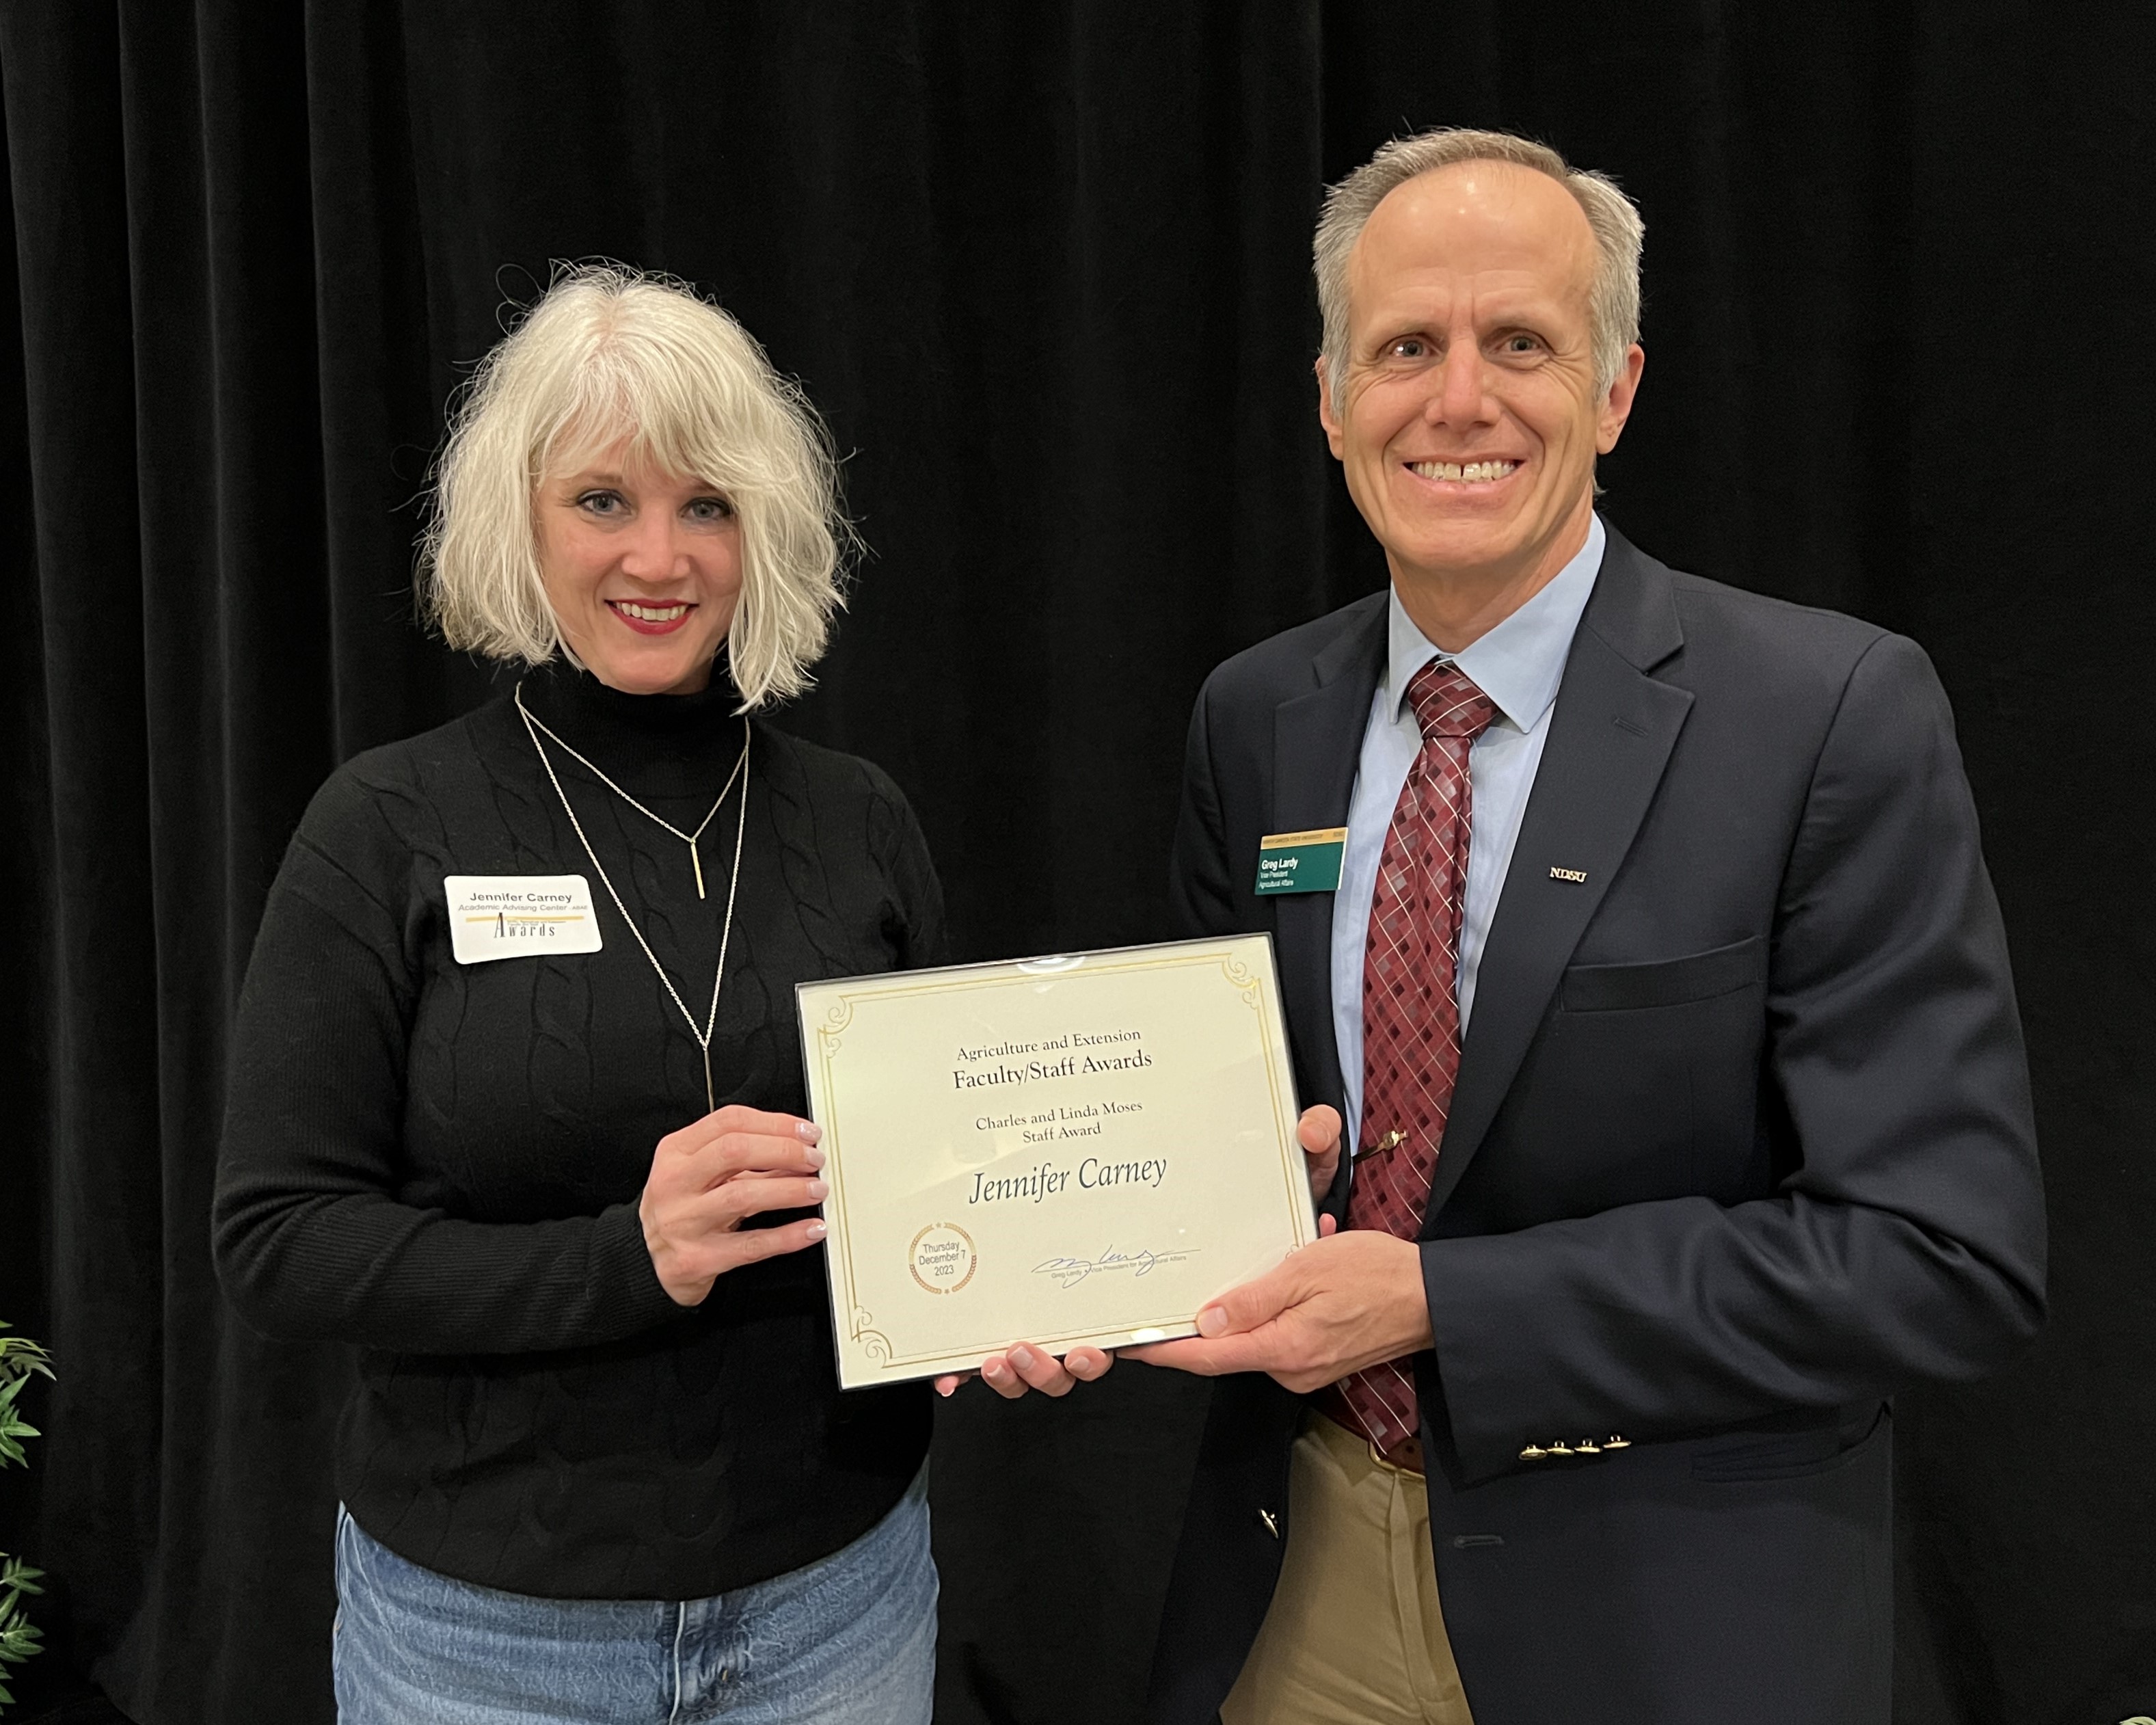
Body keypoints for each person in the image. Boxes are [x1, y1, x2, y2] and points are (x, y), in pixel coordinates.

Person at [986, 127, 2047, 1724]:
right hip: (1298, 1591)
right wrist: (1066, 1266)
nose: (1458, 398)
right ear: (1332, 396)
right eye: (1405, 344)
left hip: (1674, 1618)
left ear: (1614, 390)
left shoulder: (1824, 714)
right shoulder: (1255, 714)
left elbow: (1938, 1255)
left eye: (1520, 343)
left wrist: (1440, 1301)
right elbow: (1215, 1144)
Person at [213, 265, 943, 1724]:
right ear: (520, 519)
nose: (657, 557)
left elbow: (939, 1167)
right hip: (486, 1636)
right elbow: (278, 1236)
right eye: (601, 499)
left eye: (707, 504)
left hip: (835, 1603)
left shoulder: (858, 819)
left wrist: (995, 1282)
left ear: (765, 530)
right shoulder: (387, 824)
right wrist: (631, 1257)